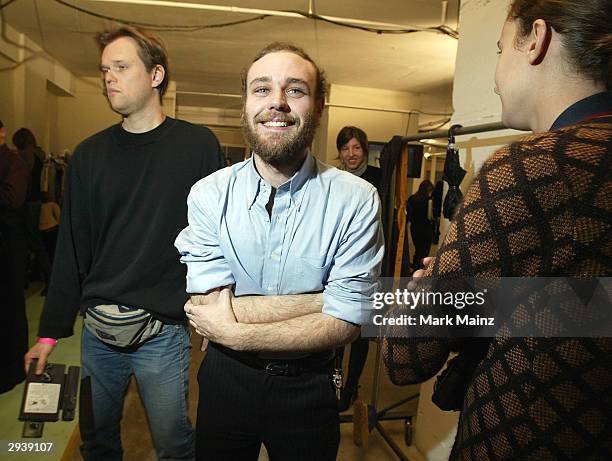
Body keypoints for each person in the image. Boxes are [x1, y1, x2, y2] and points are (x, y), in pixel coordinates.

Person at [383, 0, 612, 459]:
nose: (495, 74)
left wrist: (424, 288)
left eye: (500, 48)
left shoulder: (535, 166)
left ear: (536, 40)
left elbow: (406, 358)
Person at [175, 42, 384, 461]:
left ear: (319, 107)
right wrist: (326, 303)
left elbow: (346, 325)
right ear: (245, 104)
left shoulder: (357, 199)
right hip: (225, 381)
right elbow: (208, 305)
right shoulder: (208, 195)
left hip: (311, 384)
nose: (278, 103)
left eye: (296, 90)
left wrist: (234, 330)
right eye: (262, 89)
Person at [24, 26, 224, 461]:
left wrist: (219, 309)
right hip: (99, 332)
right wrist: (49, 333)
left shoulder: (197, 146)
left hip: (163, 333)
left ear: (155, 75)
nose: (108, 78)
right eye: (103, 70)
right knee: (97, 442)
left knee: (173, 444)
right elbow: (71, 250)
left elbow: (217, 238)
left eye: (121, 67)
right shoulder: (89, 156)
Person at [335, 125, 381, 411]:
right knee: (338, 326)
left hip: (371, 264)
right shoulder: (335, 180)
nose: (351, 154)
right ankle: (336, 381)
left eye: (356, 148)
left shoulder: (379, 180)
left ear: (364, 150)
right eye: (345, 148)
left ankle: (352, 386)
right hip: (340, 265)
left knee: (362, 331)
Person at [0, 119, 30, 394]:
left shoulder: (14, 162)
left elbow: (13, 199)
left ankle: (11, 370)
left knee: (9, 306)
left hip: (8, 244)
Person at [12, 128, 52, 291]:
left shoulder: (24, 156)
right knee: (35, 241)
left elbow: (22, 181)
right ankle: (45, 277)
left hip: (26, 203)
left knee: (30, 242)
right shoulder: (38, 155)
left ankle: (44, 278)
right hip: (36, 201)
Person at [406, 179, 434, 271]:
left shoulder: (412, 198)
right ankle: (420, 269)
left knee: (418, 249)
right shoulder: (428, 200)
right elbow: (430, 216)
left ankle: (415, 268)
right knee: (424, 251)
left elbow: (408, 215)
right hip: (426, 228)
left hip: (414, 227)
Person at [39, 193, 61, 265]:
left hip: (42, 231)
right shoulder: (52, 205)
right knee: (53, 250)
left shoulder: (40, 207)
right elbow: (59, 218)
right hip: (52, 229)